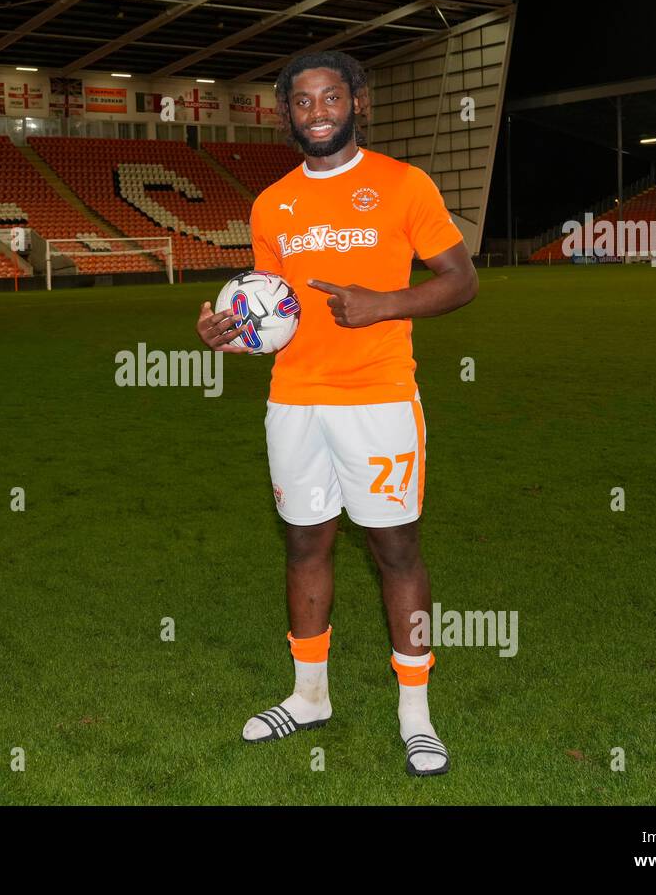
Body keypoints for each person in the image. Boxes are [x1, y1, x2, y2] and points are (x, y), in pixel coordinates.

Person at [195, 50, 477, 776]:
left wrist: (387, 303)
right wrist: (229, 334)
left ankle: (415, 712)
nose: (317, 112)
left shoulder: (402, 184)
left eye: (329, 97)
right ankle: (309, 695)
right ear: (287, 113)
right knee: (303, 546)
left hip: (378, 398)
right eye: (302, 102)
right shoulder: (271, 205)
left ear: (357, 101)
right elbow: (271, 312)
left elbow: (460, 280)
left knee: (396, 550)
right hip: (293, 400)